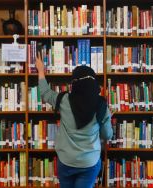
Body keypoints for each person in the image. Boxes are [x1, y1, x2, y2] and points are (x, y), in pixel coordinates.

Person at [35, 53, 113, 188]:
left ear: (74, 84)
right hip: (89, 162)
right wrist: (106, 118)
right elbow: (107, 135)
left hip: (66, 161)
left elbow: (45, 93)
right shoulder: (101, 106)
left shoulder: (64, 100)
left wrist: (41, 71)